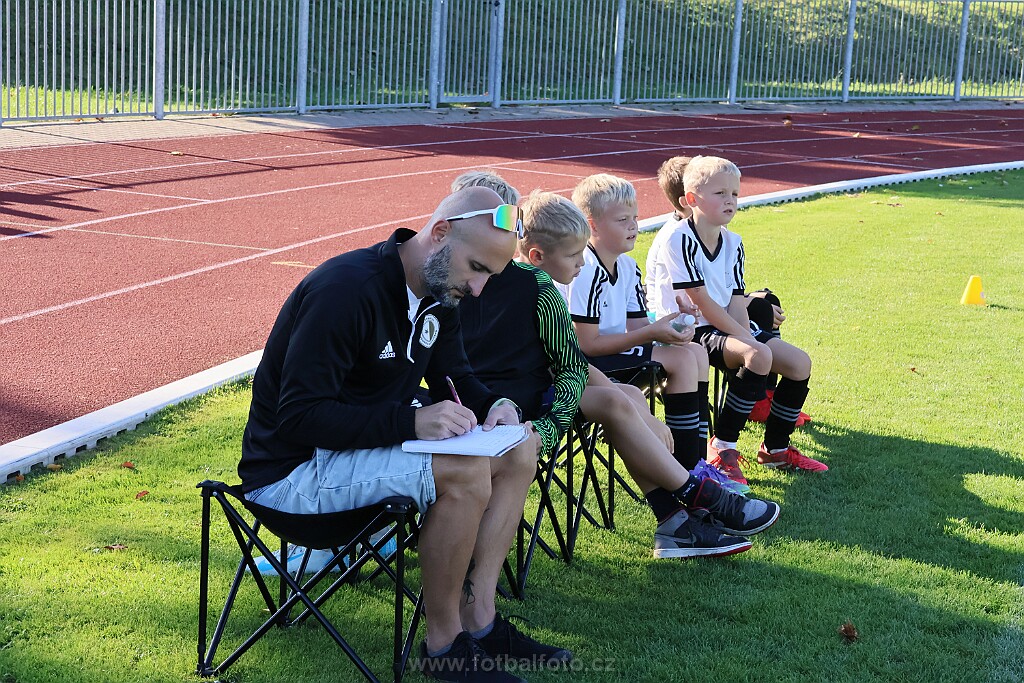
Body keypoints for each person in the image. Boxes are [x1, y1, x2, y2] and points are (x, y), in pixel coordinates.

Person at [238, 187, 570, 683]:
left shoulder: (439, 291)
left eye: (490, 276)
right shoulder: (345, 289)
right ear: (440, 233)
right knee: (463, 472)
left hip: (352, 457)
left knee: (522, 446)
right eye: (476, 268)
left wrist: (496, 406)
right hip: (291, 475)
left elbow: (455, 375)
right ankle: (444, 647)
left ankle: (480, 620)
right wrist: (411, 421)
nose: (478, 289)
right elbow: (299, 417)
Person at [455, 182, 780, 559]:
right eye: (504, 223)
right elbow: (574, 355)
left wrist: (639, 404)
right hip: (509, 408)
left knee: (625, 396)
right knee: (618, 399)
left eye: (512, 222)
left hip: (537, 392)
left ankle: (676, 518)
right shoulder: (506, 285)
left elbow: (570, 361)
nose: (581, 264)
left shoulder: (531, 282)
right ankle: (696, 494)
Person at [646, 155, 827, 488]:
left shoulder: (733, 242)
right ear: (691, 199)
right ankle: (723, 447)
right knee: (758, 355)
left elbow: (735, 300)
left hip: (726, 326)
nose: (730, 200)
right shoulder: (679, 238)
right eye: (720, 193)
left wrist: (749, 336)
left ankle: (775, 449)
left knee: (799, 363)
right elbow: (701, 302)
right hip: (689, 331)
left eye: (734, 194)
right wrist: (749, 340)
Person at [560, 173, 711, 474]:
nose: (633, 226)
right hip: (587, 366)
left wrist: (677, 324)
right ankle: (687, 470)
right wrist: (653, 332)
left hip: (612, 355)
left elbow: (640, 327)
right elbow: (587, 345)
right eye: (622, 220)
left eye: (635, 218)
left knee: (695, 351)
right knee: (682, 360)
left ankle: (699, 463)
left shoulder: (628, 266)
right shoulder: (586, 269)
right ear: (592, 226)